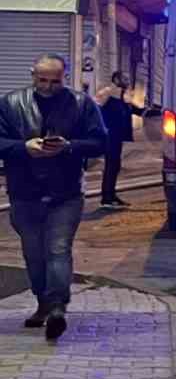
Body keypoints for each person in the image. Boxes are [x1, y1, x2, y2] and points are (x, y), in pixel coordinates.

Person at [0, 55, 108, 340]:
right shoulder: (10, 103)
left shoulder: (81, 103)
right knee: (34, 255)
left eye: (55, 81)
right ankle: (43, 304)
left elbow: (101, 141)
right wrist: (24, 147)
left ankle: (57, 307)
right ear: (32, 75)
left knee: (58, 249)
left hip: (66, 192)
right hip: (24, 192)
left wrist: (69, 147)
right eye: (42, 80)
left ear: (66, 77)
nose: (48, 86)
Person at [94, 72, 135, 209]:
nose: (127, 81)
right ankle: (107, 198)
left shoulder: (123, 94)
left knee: (115, 166)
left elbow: (131, 109)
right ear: (116, 79)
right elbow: (95, 109)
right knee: (111, 166)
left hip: (118, 136)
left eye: (127, 78)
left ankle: (111, 195)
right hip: (110, 136)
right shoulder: (108, 92)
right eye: (124, 78)